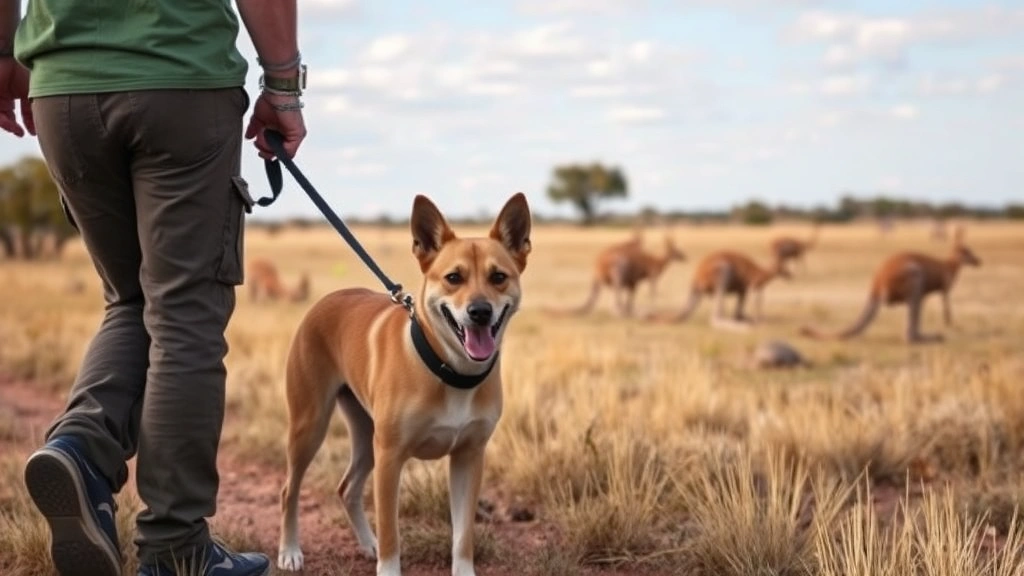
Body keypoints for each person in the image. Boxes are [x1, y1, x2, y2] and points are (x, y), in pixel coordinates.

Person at [0, 1, 307, 575]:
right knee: (184, 313)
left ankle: (81, 450)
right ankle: (174, 544)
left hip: (63, 89)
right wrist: (284, 87)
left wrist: (2, 53)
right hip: (180, 78)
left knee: (130, 299)